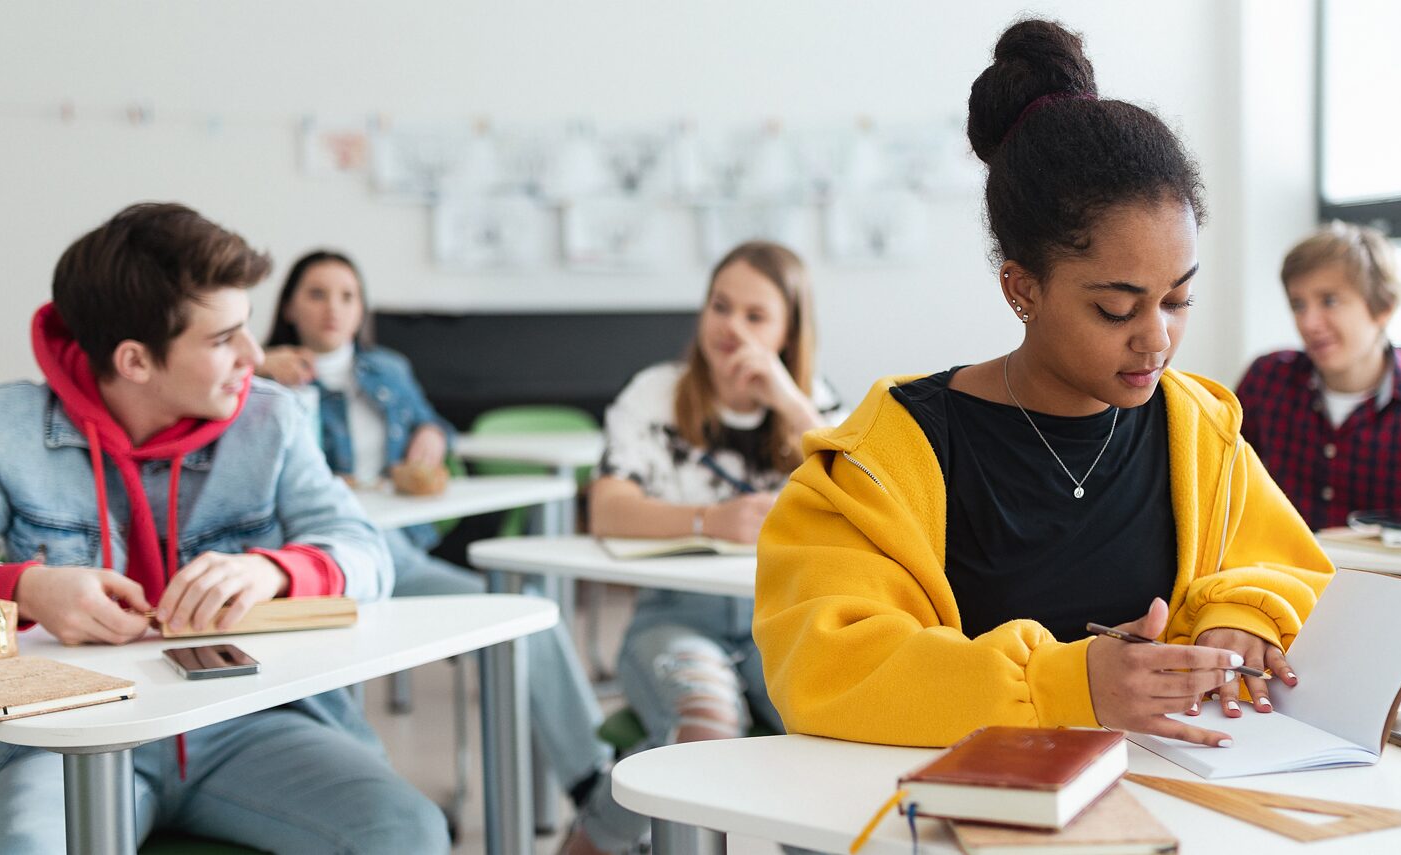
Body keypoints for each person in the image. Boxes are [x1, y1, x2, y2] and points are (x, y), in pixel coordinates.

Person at [752, 19, 1335, 752]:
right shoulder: (890, 454)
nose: (1156, 338)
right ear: (1020, 288)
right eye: (1116, 308)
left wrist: (1243, 618)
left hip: (1181, 807)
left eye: (1178, 300)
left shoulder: (1197, 429)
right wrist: (1069, 684)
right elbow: (826, 666)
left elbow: (1285, 568)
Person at [0, 203, 448, 853]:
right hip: (66, 733)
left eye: (246, 328)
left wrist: (273, 569)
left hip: (252, 723)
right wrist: (28, 589)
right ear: (136, 360)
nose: (254, 355)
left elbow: (367, 552)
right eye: (224, 339)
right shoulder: (12, 428)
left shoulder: (276, 419)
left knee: (407, 830)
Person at [258, 249, 614, 810]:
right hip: (313, 564)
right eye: (317, 294)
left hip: (397, 551)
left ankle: (593, 780)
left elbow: (436, 423)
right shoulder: (262, 382)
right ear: (290, 308)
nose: (334, 309)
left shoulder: (387, 371)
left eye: (348, 296)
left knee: (527, 610)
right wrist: (255, 367)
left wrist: (432, 435)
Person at [570, 240, 839, 855]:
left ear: (788, 332)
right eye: (721, 306)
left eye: (755, 316)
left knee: (829, 742)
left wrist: (789, 400)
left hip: (784, 626)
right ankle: (590, 841)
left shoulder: (811, 403)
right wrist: (709, 519)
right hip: (674, 617)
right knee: (707, 728)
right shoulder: (656, 393)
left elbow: (862, 496)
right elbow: (605, 509)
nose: (731, 328)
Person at [1236, 222, 1401, 687]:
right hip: (1288, 583)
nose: (1309, 322)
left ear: (1382, 308)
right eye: (1299, 304)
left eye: (1329, 300)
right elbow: (1226, 480)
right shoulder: (1267, 380)